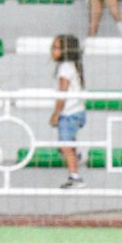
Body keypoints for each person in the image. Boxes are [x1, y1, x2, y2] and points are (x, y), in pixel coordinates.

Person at [48, 34, 85, 190]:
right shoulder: (73, 66)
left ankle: (75, 176)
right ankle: (75, 158)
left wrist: (56, 113)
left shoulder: (65, 68)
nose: (52, 51)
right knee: (66, 145)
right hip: (78, 111)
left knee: (64, 145)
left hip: (69, 113)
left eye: (56, 48)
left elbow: (62, 93)